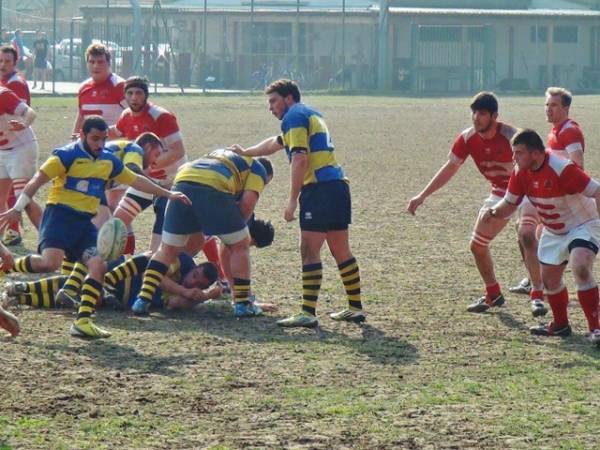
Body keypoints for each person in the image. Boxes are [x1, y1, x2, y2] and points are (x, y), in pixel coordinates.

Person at [0, 116, 190, 339]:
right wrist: (18, 208)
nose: (99, 144)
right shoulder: (66, 155)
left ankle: (82, 322)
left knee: (98, 265)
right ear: (83, 135)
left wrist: (168, 193)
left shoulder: (108, 161)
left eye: (103, 139)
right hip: (59, 216)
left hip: (84, 223)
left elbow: (135, 180)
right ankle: (6, 267)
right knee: (50, 264)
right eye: (94, 139)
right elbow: (37, 181)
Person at [230, 79, 363, 328]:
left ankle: (307, 312)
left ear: (288, 98)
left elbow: (299, 159)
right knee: (340, 249)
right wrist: (247, 152)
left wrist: (292, 201)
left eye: (273, 101)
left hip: (319, 190)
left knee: (309, 250)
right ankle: (354, 307)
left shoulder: (293, 117)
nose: (270, 107)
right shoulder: (309, 114)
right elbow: (275, 143)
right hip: (337, 186)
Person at [407, 92, 544, 315]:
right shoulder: (467, 138)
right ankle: (493, 293)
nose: (476, 117)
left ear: (494, 116)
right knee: (477, 246)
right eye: (474, 112)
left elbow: (539, 161)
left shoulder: (513, 136)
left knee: (526, 235)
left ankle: (538, 295)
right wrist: (422, 196)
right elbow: (450, 167)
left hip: (526, 192)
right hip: (500, 193)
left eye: (482, 113)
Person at [482, 129, 600, 346]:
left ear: (536, 154)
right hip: (553, 230)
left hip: (582, 225)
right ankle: (561, 325)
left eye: (518, 153)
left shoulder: (562, 168)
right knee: (550, 279)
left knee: (580, 266)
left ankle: (596, 329)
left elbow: (597, 192)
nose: (513, 158)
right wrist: (493, 212)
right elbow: (510, 202)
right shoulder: (520, 172)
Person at [129, 148, 273, 318]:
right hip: (213, 188)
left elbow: (185, 170)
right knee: (241, 244)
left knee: (166, 250)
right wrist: (234, 229)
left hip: (181, 184)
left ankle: (142, 300)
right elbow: (247, 204)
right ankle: (243, 304)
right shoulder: (258, 169)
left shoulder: (220, 155)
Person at [510, 87, 585, 306]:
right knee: (525, 233)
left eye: (554, 105)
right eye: (547, 105)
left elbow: (577, 163)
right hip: (546, 193)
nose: (548, 109)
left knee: (529, 233)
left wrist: (558, 189)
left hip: (557, 197)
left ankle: (540, 287)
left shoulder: (569, 131)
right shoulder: (555, 131)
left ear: (566, 108)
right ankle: (537, 281)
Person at [110, 76, 187, 254]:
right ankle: (122, 266)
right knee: (118, 222)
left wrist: (147, 165)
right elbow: (117, 131)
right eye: (130, 93)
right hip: (146, 179)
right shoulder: (126, 115)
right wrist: (92, 132)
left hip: (171, 181)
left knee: (168, 234)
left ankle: (221, 276)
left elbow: (178, 151)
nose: (134, 97)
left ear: (146, 95)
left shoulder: (162, 117)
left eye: (138, 93)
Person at [4, 253, 222, 312]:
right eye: (194, 276)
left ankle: (22, 296)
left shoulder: (190, 294)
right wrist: (186, 290)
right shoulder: (181, 261)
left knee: (80, 296)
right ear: (194, 267)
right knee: (86, 280)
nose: (192, 283)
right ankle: (21, 286)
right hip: (122, 272)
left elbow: (174, 303)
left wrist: (201, 298)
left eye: (198, 285)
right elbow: (151, 270)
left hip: (120, 298)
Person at [0, 45, 43, 247]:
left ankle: (50, 239)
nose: (2, 65)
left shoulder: (5, 92)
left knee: (23, 200)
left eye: (7, 61)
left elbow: (29, 112)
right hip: (3, 150)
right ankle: (6, 238)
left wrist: (24, 123)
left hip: (21, 147)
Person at [71, 43, 126, 139]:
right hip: (90, 149)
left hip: (116, 148)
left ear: (109, 63)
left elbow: (135, 115)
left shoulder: (120, 86)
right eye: (92, 62)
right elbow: (80, 117)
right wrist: (73, 142)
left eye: (100, 62)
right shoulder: (84, 88)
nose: (95, 66)